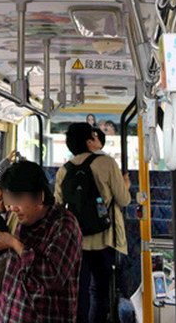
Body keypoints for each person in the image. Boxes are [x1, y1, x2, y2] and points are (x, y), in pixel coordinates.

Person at [55, 122, 131, 323]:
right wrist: (125, 185)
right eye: (94, 135)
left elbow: (58, 206)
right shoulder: (107, 163)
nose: (98, 138)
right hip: (106, 238)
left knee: (80, 293)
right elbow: (123, 200)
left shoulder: (64, 170)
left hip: (76, 241)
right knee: (100, 292)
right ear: (89, 142)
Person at [0, 161, 82, 323]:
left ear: (39, 196)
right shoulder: (15, 218)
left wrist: (15, 244)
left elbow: (51, 277)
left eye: (18, 199)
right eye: (10, 200)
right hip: (4, 314)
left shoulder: (64, 225)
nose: (13, 207)